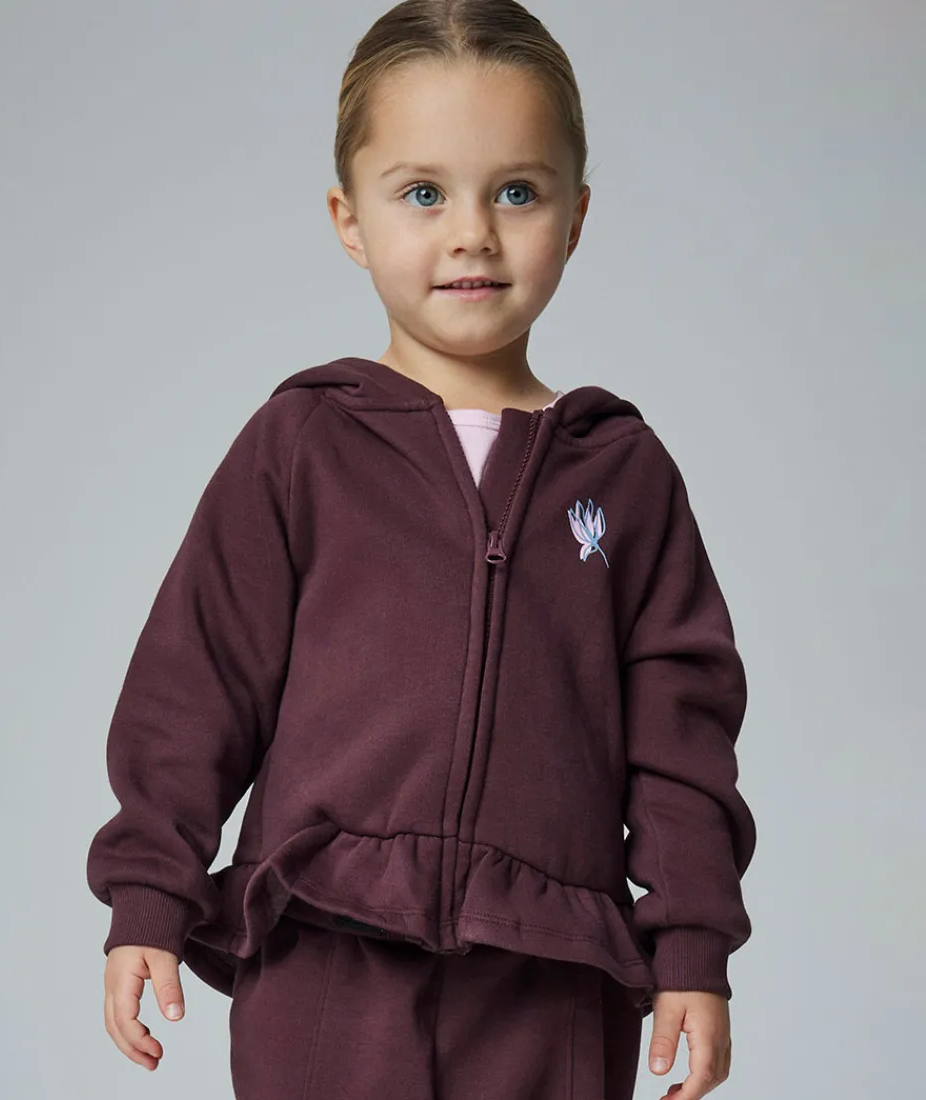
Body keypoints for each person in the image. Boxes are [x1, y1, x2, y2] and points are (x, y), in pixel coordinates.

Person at [86, 2, 757, 1098]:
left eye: (517, 191)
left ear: (576, 216)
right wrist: (148, 893)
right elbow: (196, 679)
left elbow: (682, 734)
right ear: (349, 219)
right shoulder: (302, 444)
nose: (473, 233)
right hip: (324, 954)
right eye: (423, 193)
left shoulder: (623, 473)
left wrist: (692, 943)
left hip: (551, 975)